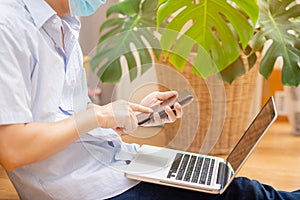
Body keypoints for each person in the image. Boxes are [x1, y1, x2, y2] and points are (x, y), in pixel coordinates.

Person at [0, 0, 299, 200]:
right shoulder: (8, 27)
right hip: (82, 188)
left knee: (227, 182)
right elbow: (12, 149)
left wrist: (131, 115)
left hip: (114, 165)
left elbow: (64, 114)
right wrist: (99, 117)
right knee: (238, 193)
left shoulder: (64, 24)